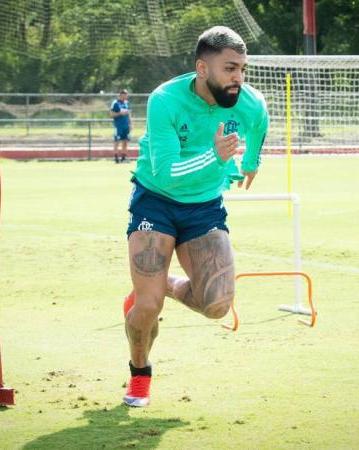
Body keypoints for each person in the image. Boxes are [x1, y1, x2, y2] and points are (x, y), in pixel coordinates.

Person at [122, 26, 269, 407]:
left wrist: (251, 160)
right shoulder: (165, 100)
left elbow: (260, 121)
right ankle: (140, 374)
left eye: (242, 69)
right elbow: (167, 170)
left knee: (217, 304)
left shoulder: (249, 101)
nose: (238, 78)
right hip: (156, 200)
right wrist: (218, 158)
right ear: (202, 68)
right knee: (148, 307)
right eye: (229, 69)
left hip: (204, 206)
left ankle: (163, 285)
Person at [109, 89, 131, 163]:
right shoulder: (115, 103)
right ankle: (116, 158)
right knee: (117, 141)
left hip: (126, 126)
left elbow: (128, 114)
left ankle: (123, 158)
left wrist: (130, 124)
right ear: (120, 95)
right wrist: (119, 113)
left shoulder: (127, 103)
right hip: (118, 126)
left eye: (126, 95)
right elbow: (111, 114)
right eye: (124, 95)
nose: (125, 96)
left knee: (125, 142)